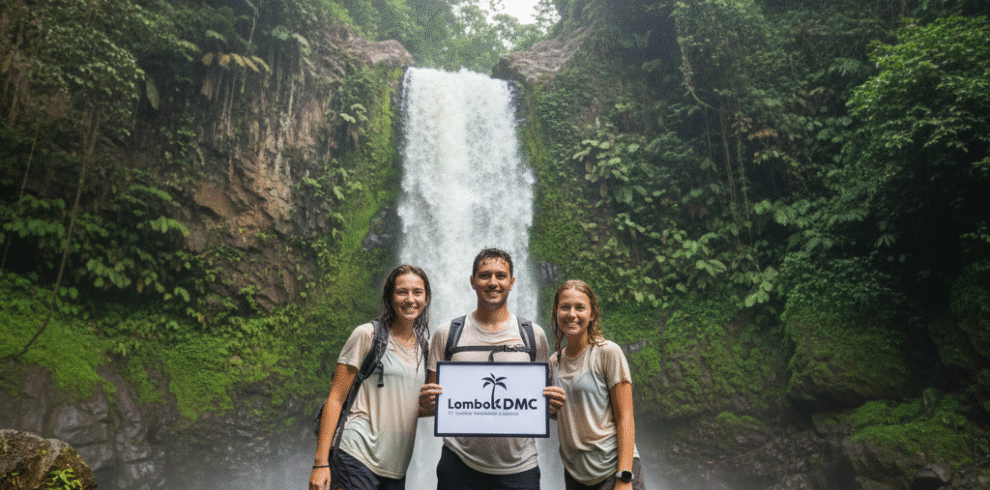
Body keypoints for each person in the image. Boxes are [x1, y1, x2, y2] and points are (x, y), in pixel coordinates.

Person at [419, 248, 566, 490]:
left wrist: (554, 405)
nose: (493, 282)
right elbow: (432, 401)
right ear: (472, 282)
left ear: (512, 282)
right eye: (485, 275)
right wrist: (426, 401)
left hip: (520, 467)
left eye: (501, 276)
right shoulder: (447, 334)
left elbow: (542, 402)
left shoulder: (533, 336)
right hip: (459, 463)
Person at [309, 265, 432, 490]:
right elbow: (335, 398)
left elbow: (411, 406)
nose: (410, 299)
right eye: (402, 292)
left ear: (426, 298)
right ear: (389, 296)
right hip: (356, 453)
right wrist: (320, 463)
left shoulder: (425, 348)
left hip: (395, 466)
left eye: (417, 292)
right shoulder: (368, 335)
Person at [550, 280, 645, 490]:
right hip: (576, 474)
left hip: (613, 469)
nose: (571, 314)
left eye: (580, 307)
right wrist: (548, 410)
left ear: (592, 314)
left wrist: (624, 476)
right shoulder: (554, 362)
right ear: (556, 312)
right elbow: (566, 412)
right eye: (565, 307)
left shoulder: (607, 353)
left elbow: (625, 416)